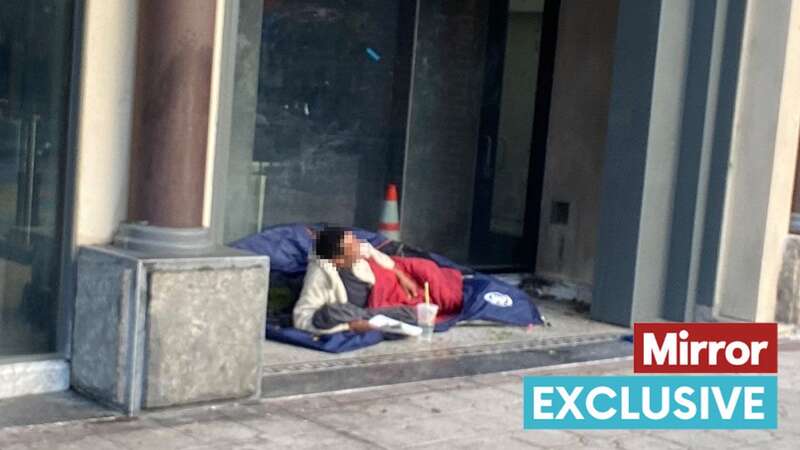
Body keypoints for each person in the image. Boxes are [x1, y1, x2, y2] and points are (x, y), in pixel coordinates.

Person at [293, 227, 422, 334]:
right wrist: (350, 327)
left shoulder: (357, 251)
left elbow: (372, 252)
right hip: (345, 314)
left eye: (356, 242)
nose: (359, 247)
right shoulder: (319, 275)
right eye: (353, 248)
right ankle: (374, 324)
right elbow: (301, 319)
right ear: (339, 261)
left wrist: (400, 274)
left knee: (411, 315)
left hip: (369, 312)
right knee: (333, 312)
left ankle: (375, 323)